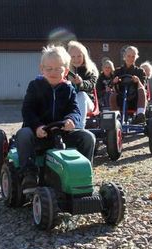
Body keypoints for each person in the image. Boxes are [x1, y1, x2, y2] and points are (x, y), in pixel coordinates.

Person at [16, 45, 96, 192]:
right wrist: (37, 127)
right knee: (23, 134)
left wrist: (72, 120)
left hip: (62, 134)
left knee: (88, 137)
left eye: (58, 69)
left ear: (65, 71)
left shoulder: (68, 89)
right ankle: (29, 174)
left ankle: (84, 174)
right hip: (40, 135)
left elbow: (75, 109)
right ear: (42, 69)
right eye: (49, 69)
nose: (53, 72)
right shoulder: (35, 86)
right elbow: (27, 110)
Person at [109, 46, 147, 124]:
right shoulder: (118, 71)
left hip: (135, 100)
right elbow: (110, 86)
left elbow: (143, 86)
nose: (130, 58)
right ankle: (117, 116)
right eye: (128, 56)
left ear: (136, 58)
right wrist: (114, 82)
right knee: (112, 95)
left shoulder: (140, 71)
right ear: (124, 56)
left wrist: (138, 81)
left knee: (142, 90)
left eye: (133, 56)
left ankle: (140, 114)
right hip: (121, 98)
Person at [67, 40, 98, 127]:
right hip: (70, 101)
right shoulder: (65, 71)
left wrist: (81, 83)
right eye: (73, 57)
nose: (76, 59)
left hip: (87, 102)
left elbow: (91, 84)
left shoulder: (91, 70)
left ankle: (79, 127)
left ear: (84, 56)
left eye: (79, 56)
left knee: (81, 95)